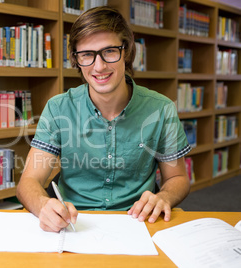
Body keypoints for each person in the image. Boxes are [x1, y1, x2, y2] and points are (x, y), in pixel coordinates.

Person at [16, 6, 191, 232]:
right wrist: (43, 205)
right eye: (87, 55)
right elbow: (28, 182)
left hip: (137, 223)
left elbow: (177, 177)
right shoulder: (58, 108)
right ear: (76, 60)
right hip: (73, 224)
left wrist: (164, 196)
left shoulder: (161, 109)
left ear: (126, 51)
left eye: (109, 51)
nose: (99, 66)